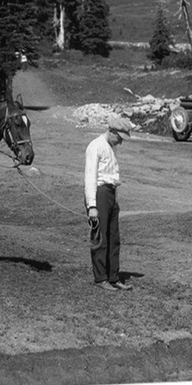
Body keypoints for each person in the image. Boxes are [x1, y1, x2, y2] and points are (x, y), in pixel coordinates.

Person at [84, 115, 134, 291]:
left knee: (114, 237)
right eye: (119, 138)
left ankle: (114, 276)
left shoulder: (111, 147)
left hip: (111, 193)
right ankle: (101, 278)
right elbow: (90, 178)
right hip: (99, 194)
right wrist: (92, 206)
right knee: (101, 238)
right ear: (111, 131)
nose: (120, 142)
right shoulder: (95, 146)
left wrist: (115, 197)